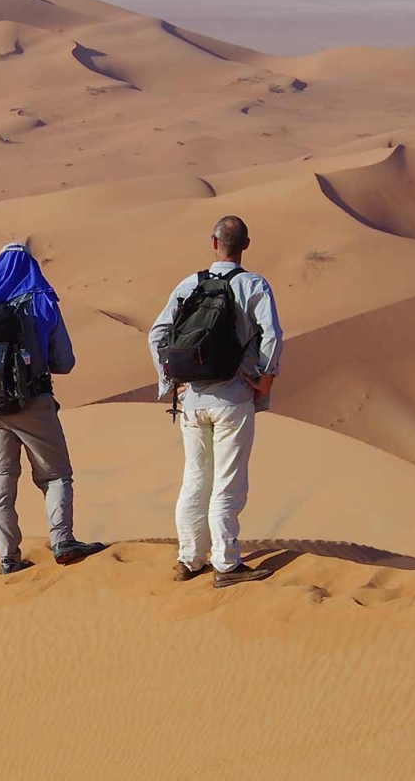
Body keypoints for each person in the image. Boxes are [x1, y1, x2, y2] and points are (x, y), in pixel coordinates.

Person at [147, 215, 285, 588]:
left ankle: (189, 559)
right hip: (233, 398)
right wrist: (265, 380)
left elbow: (156, 334)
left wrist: (170, 381)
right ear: (246, 244)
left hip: (192, 401)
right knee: (228, 483)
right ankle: (226, 564)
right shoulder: (253, 285)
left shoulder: (189, 285)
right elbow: (272, 335)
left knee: (195, 479)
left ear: (213, 242)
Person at [0, 243, 107, 575]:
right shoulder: (41, 301)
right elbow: (64, 362)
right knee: (56, 475)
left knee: (1, 477)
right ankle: (63, 541)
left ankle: (7, 557)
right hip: (33, 403)